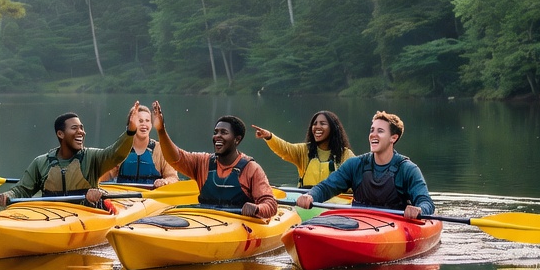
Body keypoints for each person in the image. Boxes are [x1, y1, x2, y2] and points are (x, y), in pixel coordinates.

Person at [0, 102, 142, 208]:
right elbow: (22, 190)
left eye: (82, 128)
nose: (81, 132)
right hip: (51, 216)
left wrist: (130, 131)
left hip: (86, 214)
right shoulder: (41, 162)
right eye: (75, 128)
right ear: (60, 134)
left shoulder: (93, 157)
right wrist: (6, 195)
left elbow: (116, 154)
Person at [294, 111, 435, 219]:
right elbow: (327, 186)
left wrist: (419, 209)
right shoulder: (355, 165)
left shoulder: (408, 169)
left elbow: (426, 202)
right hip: (359, 221)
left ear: (394, 137)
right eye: (372, 130)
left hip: (394, 223)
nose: (373, 135)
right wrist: (311, 196)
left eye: (380, 131)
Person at [150, 101, 279, 218]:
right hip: (206, 222)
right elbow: (175, 158)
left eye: (224, 132)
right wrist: (161, 130)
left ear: (237, 139)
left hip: (239, 225)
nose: (217, 136)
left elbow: (271, 205)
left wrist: (257, 208)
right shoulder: (203, 162)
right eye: (216, 132)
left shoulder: (251, 169)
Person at [251, 110, 354, 187]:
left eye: (323, 124)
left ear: (333, 129)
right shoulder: (304, 151)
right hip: (307, 202)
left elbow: (359, 174)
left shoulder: (345, 155)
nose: (317, 127)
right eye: (315, 124)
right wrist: (269, 136)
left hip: (335, 205)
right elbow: (285, 149)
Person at [100, 104, 178, 187]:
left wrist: (165, 181)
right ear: (131, 125)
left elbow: (173, 177)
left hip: (152, 197)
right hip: (124, 196)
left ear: (151, 125)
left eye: (147, 121)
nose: (144, 124)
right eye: (140, 121)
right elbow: (101, 177)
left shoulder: (161, 150)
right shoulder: (120, 149)